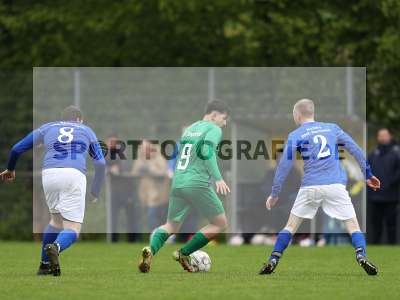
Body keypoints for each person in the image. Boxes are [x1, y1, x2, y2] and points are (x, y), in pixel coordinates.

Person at [259, 99, 381, 276]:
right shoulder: (332, 128)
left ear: (297, 115)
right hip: (335, 185)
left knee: (290, 226)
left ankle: (273, 259)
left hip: (310, 186)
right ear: (312, 112)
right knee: (353, 226)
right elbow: (355, 149)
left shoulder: (296, 134)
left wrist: (274, 193)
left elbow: (284, 165)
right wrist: (368, 174)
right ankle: (361, 255)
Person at [0, 106, 106, 276]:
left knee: (56, 221)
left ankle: (44, 265)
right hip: (74, 174)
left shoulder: (48, 127)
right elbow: (100, 164)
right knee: (73, 228)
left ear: (62, 119)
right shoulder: (87, 130)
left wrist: (11, 169)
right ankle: (55, 247)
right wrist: (95, 191)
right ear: (80, 120)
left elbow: (16, 149)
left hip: (49, 174)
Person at [138, 100, 230, 273]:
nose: (224, 123)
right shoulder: (213, 129)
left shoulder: (190, 129)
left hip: (178, 182)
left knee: (171, 226)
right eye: (224, 119)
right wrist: (218, 178)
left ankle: (150, 250)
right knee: (220, 223)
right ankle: (183, 253)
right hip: (197, 182)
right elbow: (207, 152)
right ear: (214, 115)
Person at [367, 128, 400, 244]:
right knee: (376, 224)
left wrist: (389, 183)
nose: (382, 137)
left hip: (391, 196)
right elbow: (367, 171)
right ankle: (375, 247)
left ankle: (392, 246)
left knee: (391, 224)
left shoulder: (396, 152)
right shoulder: (373, 153)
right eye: (380, 135)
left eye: (385, 135)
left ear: (390, 136)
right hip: (375, 196)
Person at [132, 140, 169, 231]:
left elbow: (163, 172)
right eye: (142, 148)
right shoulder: (140, 159)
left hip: (158, 195)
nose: (143, 150)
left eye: (145, 148)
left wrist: (150, 169)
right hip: (144, 195)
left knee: (154, 217)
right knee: (145, 218)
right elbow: (133, 173)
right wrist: (140, 169)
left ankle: (157, 237)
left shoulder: (159, 157)